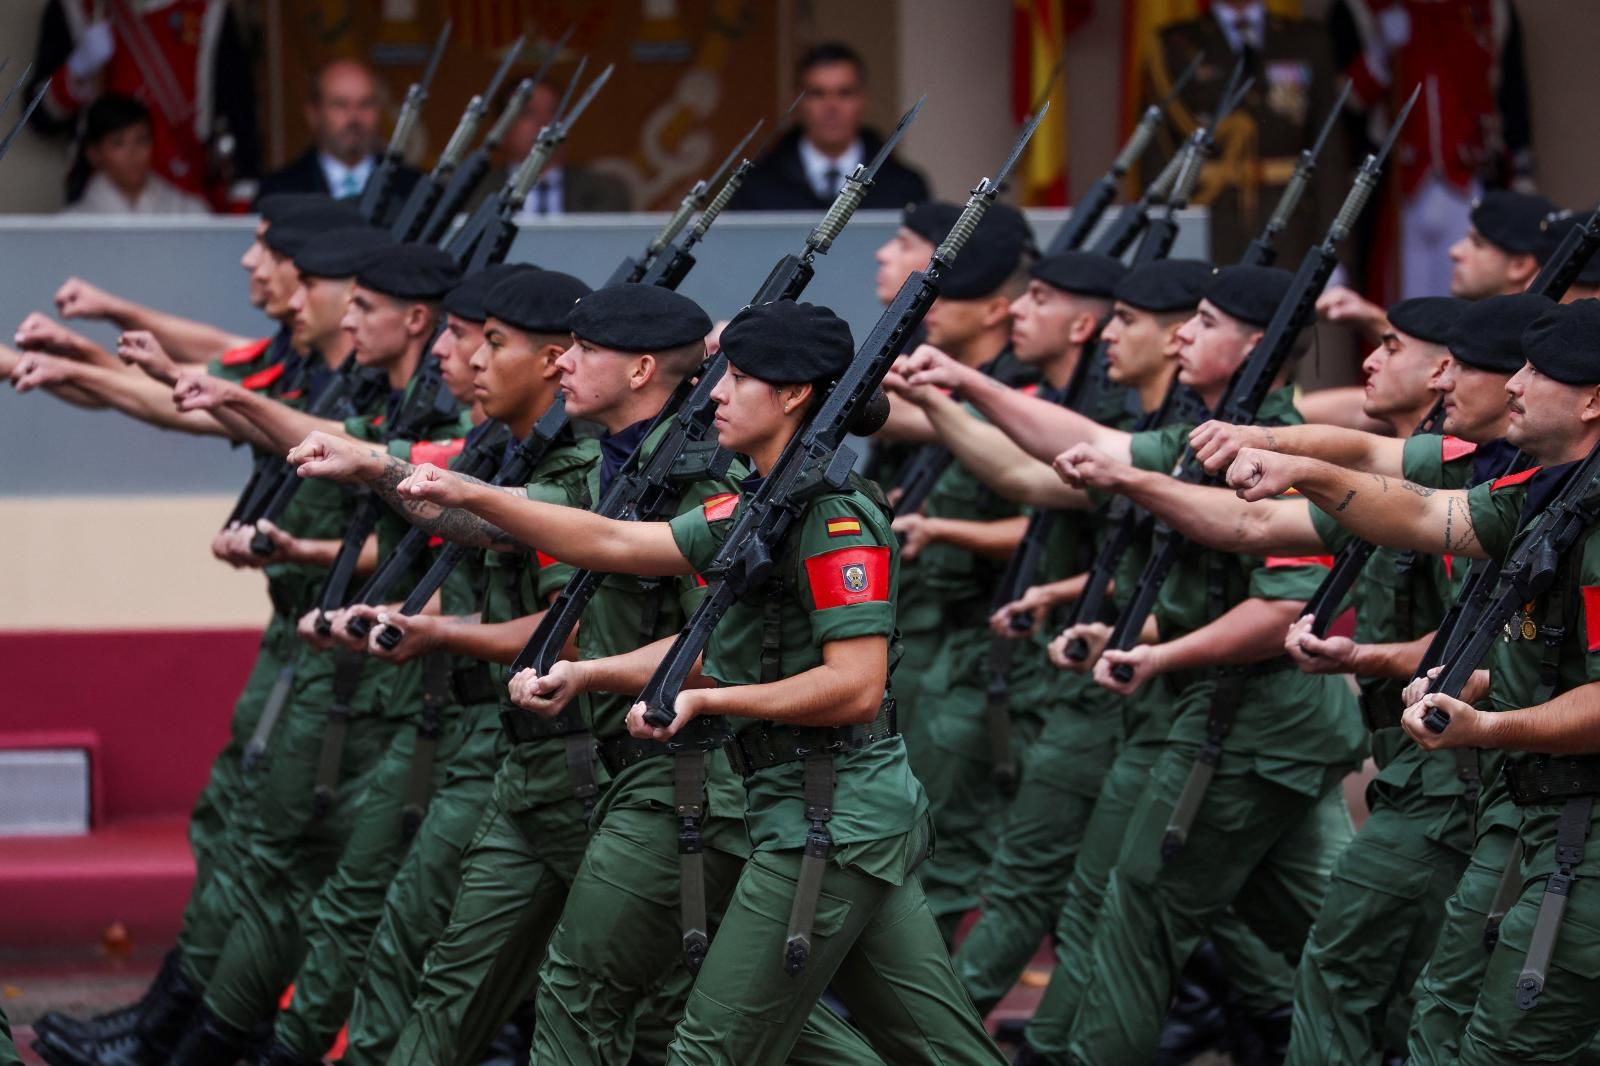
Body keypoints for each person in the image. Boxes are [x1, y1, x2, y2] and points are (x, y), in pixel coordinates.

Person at [390, 299, 1006, 1064]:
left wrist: (709, 700)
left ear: (793, 396)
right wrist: (475, 496)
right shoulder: (753, 506)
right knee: (939, 1050)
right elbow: (616, 540)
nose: (713, 392)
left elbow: (855, 686)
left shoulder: (835, 517)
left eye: (739, 377)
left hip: (830, 820)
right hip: (815, 811)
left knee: (708, 1051)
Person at [1225, 298, 1600, 1064]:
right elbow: (1433, 512)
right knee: (1442, 1015)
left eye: (1540, 370)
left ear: (1593, 399)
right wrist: (1307, 472)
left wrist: (1488, 726)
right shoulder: (1559, 490)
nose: (1516, 383)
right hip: (1529, 817)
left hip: (1579, 835)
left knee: (1503, 1044)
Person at [1137, 0, 1350, 268]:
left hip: (1291, 226)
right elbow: (1159, 157)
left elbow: (1329, 156)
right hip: (1211, 225)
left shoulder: (1307, 40)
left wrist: (1336, 253)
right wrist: (1162, 250)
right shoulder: (1174, 46)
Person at [26, 0, 260, 210]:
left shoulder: (209, 10)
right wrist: (76, 68)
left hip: (186, 193)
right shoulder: (77, 9)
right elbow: (39, 118)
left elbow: (239, 113)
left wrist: (241, 204)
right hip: (101, 202)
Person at [727, 42, 929, 212]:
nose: (832, 107)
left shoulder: (905, 187)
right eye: (817, 94)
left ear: (863, 100)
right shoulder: (754, 187)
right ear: (798, 101)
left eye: (845, 93)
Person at [255, 60, 421, 212]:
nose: (354, 117)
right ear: (313, 114)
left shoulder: (414, 190)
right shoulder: (280, 191)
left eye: (365, 104)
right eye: (340, 105)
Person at [469, 79, 632, 216]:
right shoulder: (473, 194)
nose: (544, 122)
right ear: (501, 128)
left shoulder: (606, 192)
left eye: (554, 111)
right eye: (528, 113)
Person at [64, 94, 210, 215]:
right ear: (94, 153)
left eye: (141, 140)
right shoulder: (73, 223)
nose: (132, 153)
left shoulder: (189, 211)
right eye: (118, 143)